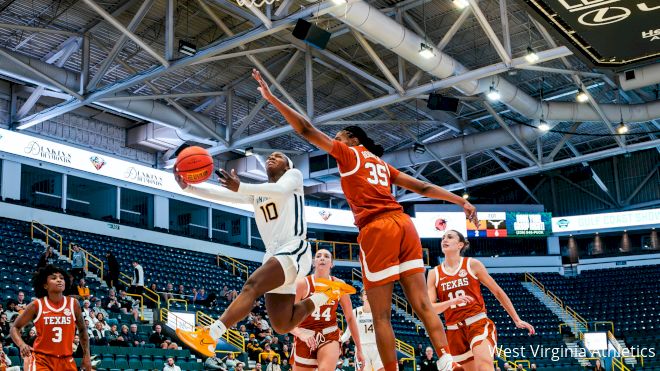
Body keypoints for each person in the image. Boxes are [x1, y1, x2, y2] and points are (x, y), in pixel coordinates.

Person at [255, 69, 478, 371]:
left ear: (352, 139)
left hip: (378, 228)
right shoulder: (383, 166)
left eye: (339, 136)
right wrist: (460, 201)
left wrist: (272, 98)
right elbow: (423, 188)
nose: (334, 140)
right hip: (404, 224)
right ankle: (445, 358)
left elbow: (306, 130)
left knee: (381, 315)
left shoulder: (350, 154)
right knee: (423, 305)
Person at [174, 151, 354, 357]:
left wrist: (241, 186)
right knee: (282, 324)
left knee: (252, 286)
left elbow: (278, 190)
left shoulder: (293, 176)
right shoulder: (258, 192)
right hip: (273, 254)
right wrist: (189, 187)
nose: (271, 157)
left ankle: (210, 336)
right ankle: (326, 295)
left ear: (287, 165)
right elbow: (224, 195)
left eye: (278, 156)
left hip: (294, 248)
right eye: (269, 156)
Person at [427, 230, 535, 369]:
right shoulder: (434, 273)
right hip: (454, 331)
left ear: (460, 244)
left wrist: (516, 319)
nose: (444, 240)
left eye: (449, 237)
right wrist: (451, 302)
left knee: (484, 366)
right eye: (443, 238)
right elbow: (431, 309)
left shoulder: (472, 264)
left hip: (477, 324)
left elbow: (497, 291)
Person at [290, 249, 364, 371]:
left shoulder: (339, 284)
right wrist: (300, 334)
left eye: (326, 256)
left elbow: (350, 317)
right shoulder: (302, 284)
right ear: (314, 262)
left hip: (329, 334)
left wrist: (359, 349)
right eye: (318, 256)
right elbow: (287, 320)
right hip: (305, 335)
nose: (322, 258)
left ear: (332, 264)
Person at [9, 265, 92, 370]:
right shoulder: (36, 305)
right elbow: (14, 328)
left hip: (66, 359)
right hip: (42, 359)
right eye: (54, 278)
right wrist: (21, 344)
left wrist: (86, 355)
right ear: (45, 285)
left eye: (61, 278)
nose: (59, 280)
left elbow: (82, 330)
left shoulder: (73, 304)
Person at [340, 289, 381, 371]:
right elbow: (348, 333)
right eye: (366, 294)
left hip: (378, 347)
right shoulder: (355, 312)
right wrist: (339, 341)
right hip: (362, 348)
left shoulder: (379, 312)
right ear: (362, 297)